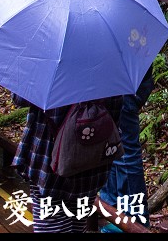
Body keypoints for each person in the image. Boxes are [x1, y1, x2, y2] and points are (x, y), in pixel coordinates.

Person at [98, 0, 155, 232]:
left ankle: (135, 220)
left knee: (127, 155)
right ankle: (113, 213)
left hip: (124, 90)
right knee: (110, 150)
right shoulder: (135, 4)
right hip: (116, 89)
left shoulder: (134, 7)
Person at [12, 94, 124, 233]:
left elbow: (20, 98)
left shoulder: (52, 75)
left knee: (50, 224)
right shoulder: (110, 77)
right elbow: (115, 115)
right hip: (91, 169)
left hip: (50, 166)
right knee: (78, 223)